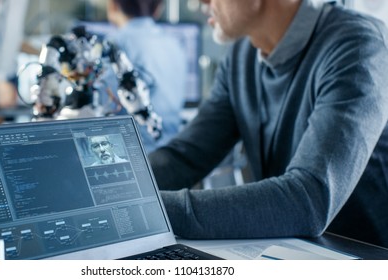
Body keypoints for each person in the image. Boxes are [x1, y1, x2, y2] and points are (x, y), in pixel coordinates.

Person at [148, 0, 388, 248]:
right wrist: (116, 191)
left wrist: (143, 212)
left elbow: (307, 200)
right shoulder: (241, 55)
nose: (201, 2)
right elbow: (187, 156)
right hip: (290, 253)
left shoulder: (358, 47)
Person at [105, 0, 187, 152]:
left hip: (134, 155)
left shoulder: (115, 44)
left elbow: (105, 107)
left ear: (113, 5)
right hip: (171, 152)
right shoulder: (174, 44)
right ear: (159, 8)